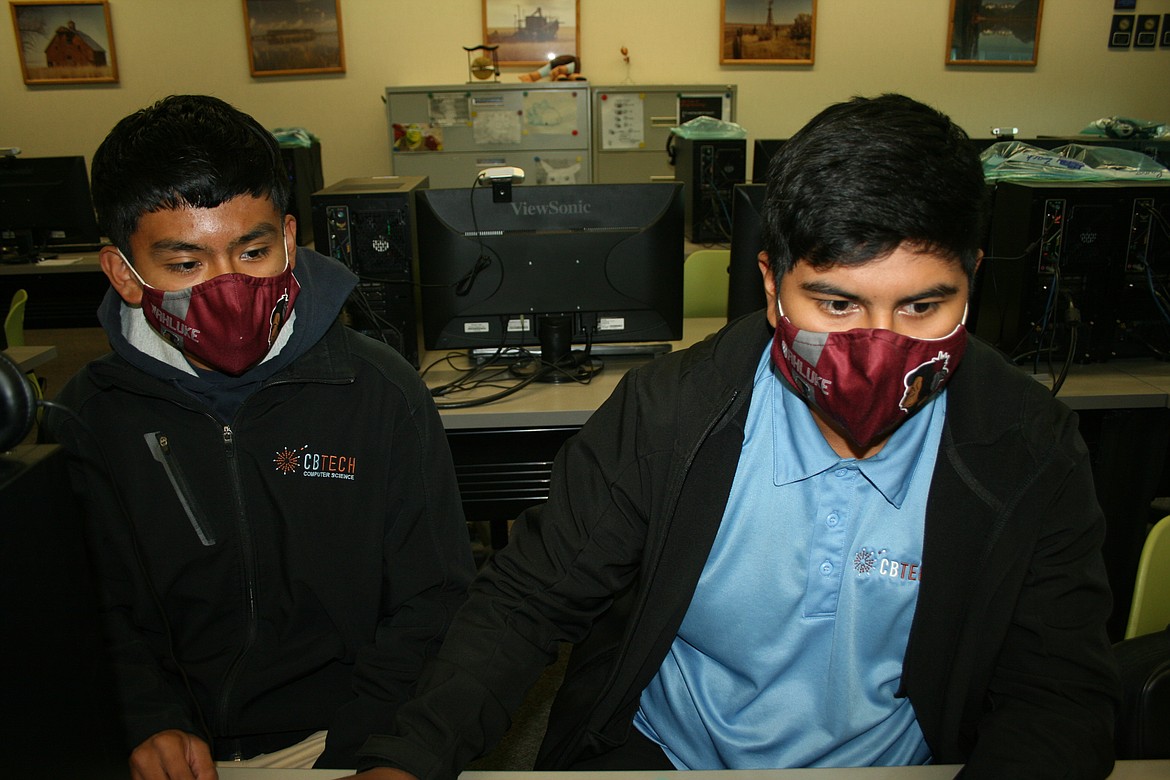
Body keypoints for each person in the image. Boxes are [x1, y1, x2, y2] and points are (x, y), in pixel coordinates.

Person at [345, 94, 1121, 780]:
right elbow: (528, 600)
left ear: (973, 278)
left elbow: (1057, 692)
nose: (880, 349)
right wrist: (408, 759)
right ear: (769, 284)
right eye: (837, 306)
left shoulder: (1026, 442)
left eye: (923, 308)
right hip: (671, 757)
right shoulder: (671, 412)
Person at [44, 95, 475, 778]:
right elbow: (90, 614)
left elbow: (435, 598)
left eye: (253, 250)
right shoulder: (84, 421)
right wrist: (144, 719)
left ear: (291, 239)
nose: (229, 289)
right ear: (124, 274)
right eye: (185, 264)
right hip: (164, 750)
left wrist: (377, 748)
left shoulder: (378, 393)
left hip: (344, 738)